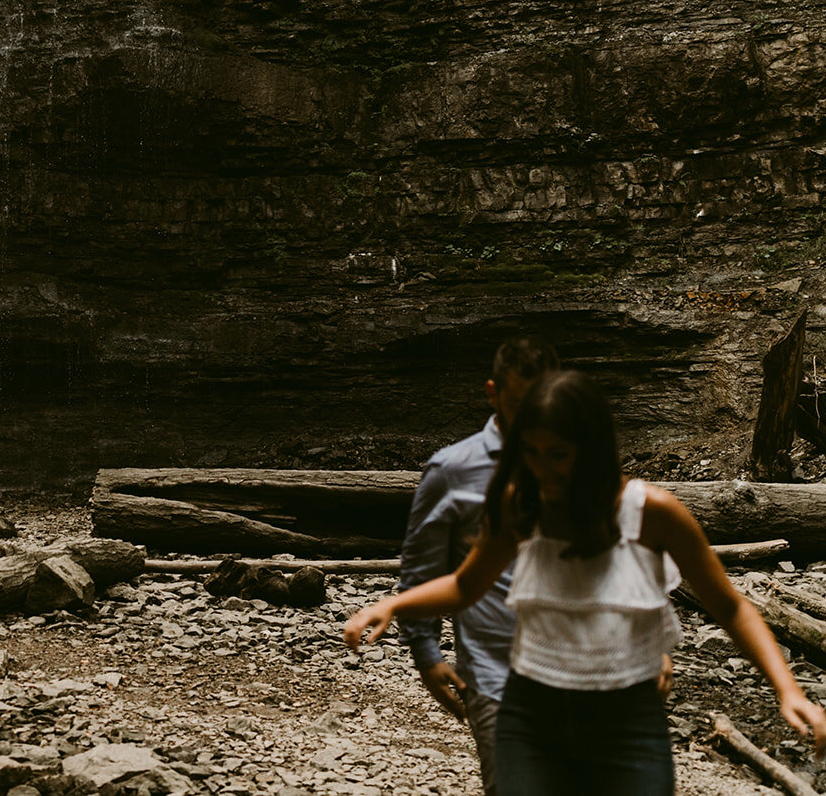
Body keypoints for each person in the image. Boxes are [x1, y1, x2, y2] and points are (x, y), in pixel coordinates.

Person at [346, 370, 826, 794]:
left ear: (591, 449)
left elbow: (731, 607)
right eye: (530, 452)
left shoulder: (653, 512)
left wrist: (788, 691)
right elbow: (465, 587)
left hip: (628, 723)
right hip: (530, 720)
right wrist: (394, 604)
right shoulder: (520, 504)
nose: (543, 469)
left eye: (558, 455)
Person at [395, 337, 558, 794]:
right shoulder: (451, 471)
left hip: (585, 667)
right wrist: (427, 655)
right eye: (517, 404)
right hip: (492, 672)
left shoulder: (575, 466)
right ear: (492, 394)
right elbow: (421, 567)